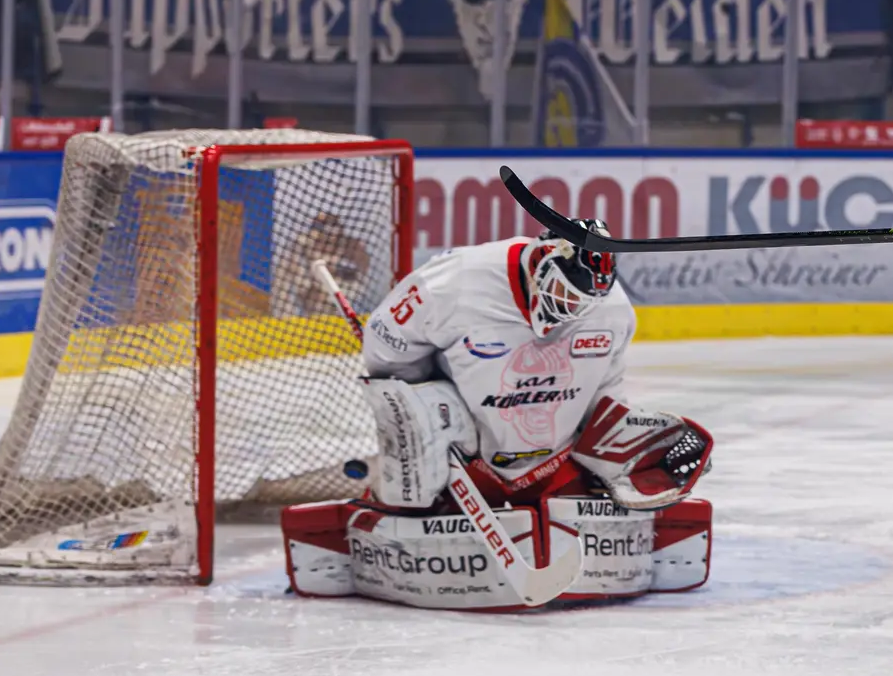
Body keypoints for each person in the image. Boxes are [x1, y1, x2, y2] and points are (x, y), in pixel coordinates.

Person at [279, 221, 715, 610]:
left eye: (582, 302)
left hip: (554, 461)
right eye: (563, 295)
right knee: (414, 477)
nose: (569, 310)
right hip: (468, 462)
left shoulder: (614, 311)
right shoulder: (454, 283)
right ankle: (390, 511)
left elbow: (605, 388)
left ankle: (556, 498)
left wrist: (615, 448)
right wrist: (424, 410)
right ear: (541, 268)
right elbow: (386, 353)